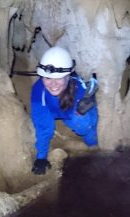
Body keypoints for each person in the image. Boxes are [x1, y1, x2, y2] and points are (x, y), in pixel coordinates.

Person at [30, 46, 99, 175]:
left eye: (59, 78)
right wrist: (41, 157)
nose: (53, 84)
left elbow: (88, 127)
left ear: (68, 76)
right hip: (54, 109)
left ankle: (93, 145)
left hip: (73, 111)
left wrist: (93, 146)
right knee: (46, 123)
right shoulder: (39, 92)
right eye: (48, 78)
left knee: (82, 124)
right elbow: (43, 127)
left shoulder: (80, 92)